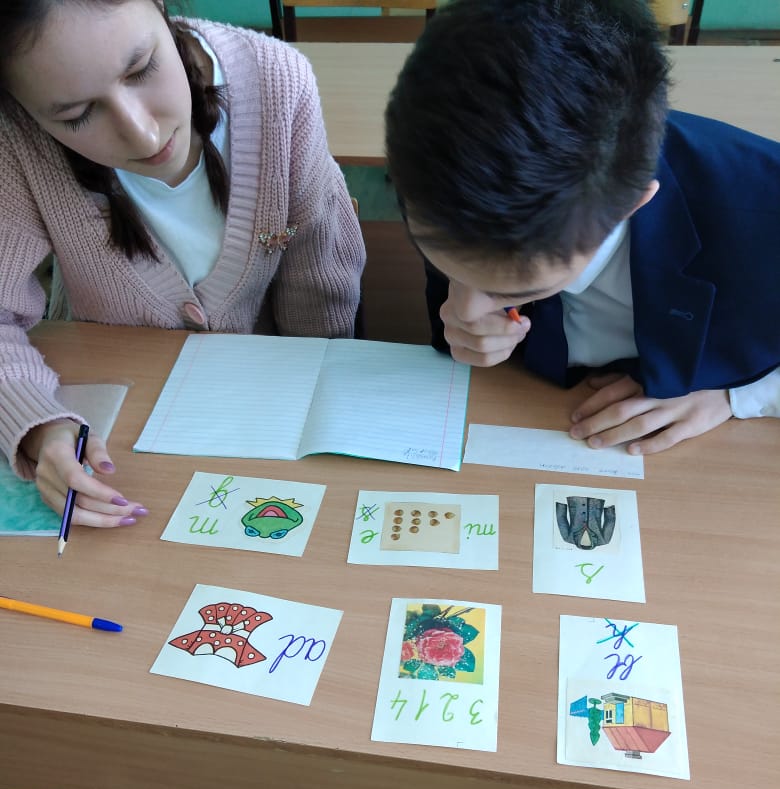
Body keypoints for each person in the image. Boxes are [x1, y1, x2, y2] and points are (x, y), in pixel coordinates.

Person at [0, 0, 365, 525]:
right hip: (120, 424)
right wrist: (40, 424)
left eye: (141, 69)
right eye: (76, 115)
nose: (143, 135)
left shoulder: (276, 82)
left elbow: (320, 284)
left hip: (267, 410)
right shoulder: (16, 140)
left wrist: (317, 419)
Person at [384, 0, 780, 455]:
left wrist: (738, 396)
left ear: (630, 205)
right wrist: (461, 308)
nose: (465, 308)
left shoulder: (764, 213)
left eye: (508, 289)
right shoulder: (441, 159)